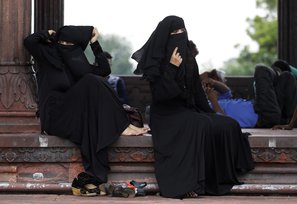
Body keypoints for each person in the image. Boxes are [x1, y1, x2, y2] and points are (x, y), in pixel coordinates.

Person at [131, 15, 254, 198]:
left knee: (227, 124)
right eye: (175, 33)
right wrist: (172, 67)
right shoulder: (156, 61)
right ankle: (189, 183)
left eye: (183, 31)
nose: (180, 36)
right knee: (199, 125)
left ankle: (220, 177)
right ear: (166, 36)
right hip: (165, 115)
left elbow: (197, 92)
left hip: (186, 111)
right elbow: (162, 95)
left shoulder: (189, 59)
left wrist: (211, 114)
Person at [24, 26, 148, 195]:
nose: (64, 45)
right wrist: (48, 34)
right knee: (91, 81)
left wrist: (94, 43)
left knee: (95, 81)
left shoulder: (77, 64)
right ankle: (123, 125)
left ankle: (122, 124)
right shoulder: (48, 55)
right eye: (62, 42)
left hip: (71, 113)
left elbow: (104, 71)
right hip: (55, 116)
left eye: (69, 43)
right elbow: (29, 41)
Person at [201, 60, 297, 128]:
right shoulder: (203, 110)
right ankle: (276, 71)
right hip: (262, 115)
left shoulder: (217, 99)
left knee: (287, 77)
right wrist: (213, 101)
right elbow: (224, 122)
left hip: (265, 108)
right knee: (261, 69)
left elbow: (227, 91)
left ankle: (290, 120)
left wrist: (212, 82)